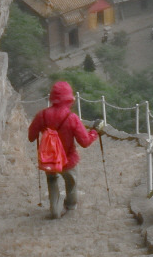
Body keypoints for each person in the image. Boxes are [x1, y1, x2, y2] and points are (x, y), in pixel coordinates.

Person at [28, 80, 100, 218]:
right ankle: (70, 205)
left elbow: (31, 136)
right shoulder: (71, 117)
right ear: (69, 98)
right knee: (71, 182)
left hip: (50, 159)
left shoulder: (42, 115)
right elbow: (84, 142)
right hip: (68, 159)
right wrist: (94, 132)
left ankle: (54, 209)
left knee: (52, 180)